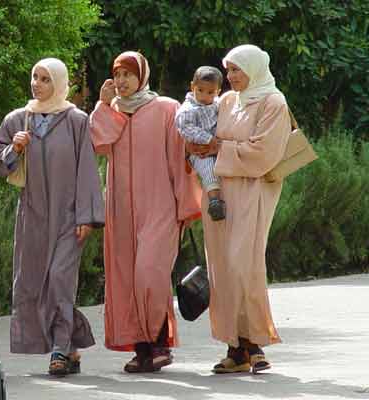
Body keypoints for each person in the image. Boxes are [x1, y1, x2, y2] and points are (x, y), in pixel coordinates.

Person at [0, 58, 104, 376]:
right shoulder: (17, 119)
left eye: (45, 79)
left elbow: (87, 169)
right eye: (34, 77)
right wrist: (14, 150)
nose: (37, 84)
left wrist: (86, 216)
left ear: (60, 83)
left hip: (68, 217)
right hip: (33, 217)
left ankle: (60, 349)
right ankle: (70, 343)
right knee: (36, 282)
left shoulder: (76, 120)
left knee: (60, 281)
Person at [89, 51, 202, 373]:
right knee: (126, 279)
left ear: (142, 76)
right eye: (117, 74)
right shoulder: (112, 112)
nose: (122, 81)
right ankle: (142, 350)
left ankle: (160, 343)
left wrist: (185, 205)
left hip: (161, 208)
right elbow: (98, 143)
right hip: (122, 212)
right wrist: (102, 104)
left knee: (149, 275)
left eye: (128, 74)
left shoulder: (167, 109)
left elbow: (181, 160)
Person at [187, 44, 291, 374]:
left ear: (255, 69)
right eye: (228, 70)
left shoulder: (274, 102)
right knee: (222, 268)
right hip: (219, 194)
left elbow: (263, 154)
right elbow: (199, 128)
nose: (230, 77)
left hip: (254, 190)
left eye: (236, 70)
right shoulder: (228, 101)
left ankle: (255, 341)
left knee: (243, 264)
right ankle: (236, 348)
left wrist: (218, 147)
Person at [175, 66, 226, 221]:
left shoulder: (217, 103)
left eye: (210, 92)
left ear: (218, 92)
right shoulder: (188, 109)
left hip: (218, 148)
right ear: (192, 87)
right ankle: (215, 201)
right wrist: (208, 139)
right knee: (208, 169)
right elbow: (185, 128)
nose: (204, 96)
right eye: (200, 90)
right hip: (199, 151)